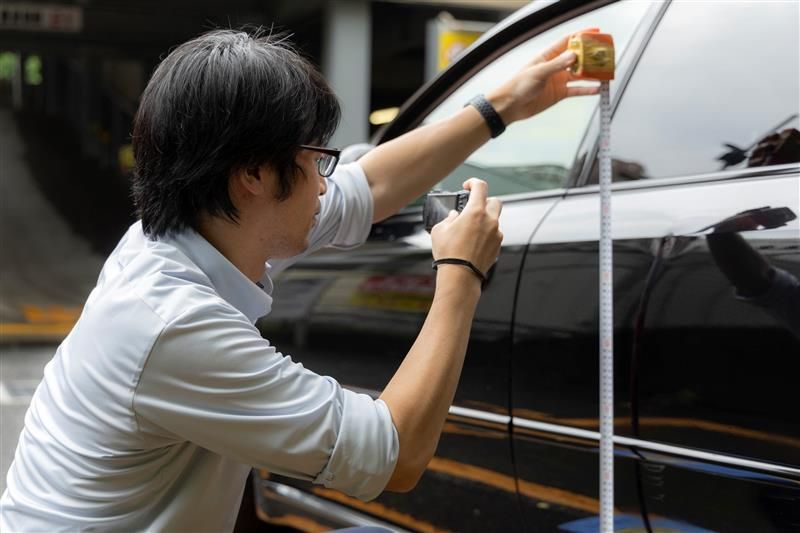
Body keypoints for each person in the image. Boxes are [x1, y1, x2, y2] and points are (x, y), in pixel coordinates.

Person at [0, 28, 597, 531]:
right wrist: (462, 275)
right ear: (253, 175)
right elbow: (395, 457)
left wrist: (500, 107)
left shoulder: (192, 234)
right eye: (316, 160)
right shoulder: (170, 323)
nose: (324, 181)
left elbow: (372, 188)